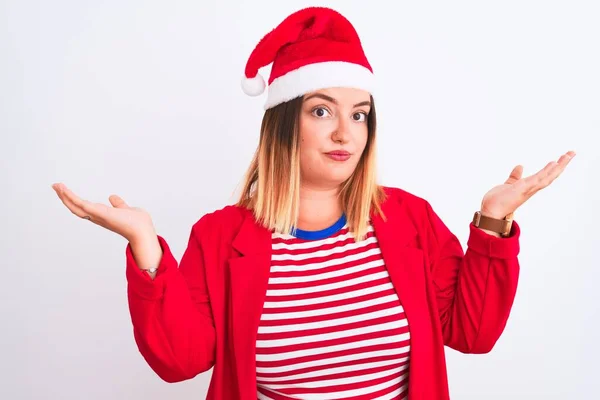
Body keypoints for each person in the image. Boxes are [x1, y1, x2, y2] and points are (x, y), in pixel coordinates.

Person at [51, 6, 575, 400]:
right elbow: (180, 361)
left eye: (360, 113)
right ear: (284, 124)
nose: (345, 131)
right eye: (321, 111)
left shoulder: (408, 219)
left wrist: (492, 223)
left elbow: (472, 333)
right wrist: (146, 246)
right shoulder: (220, 236)